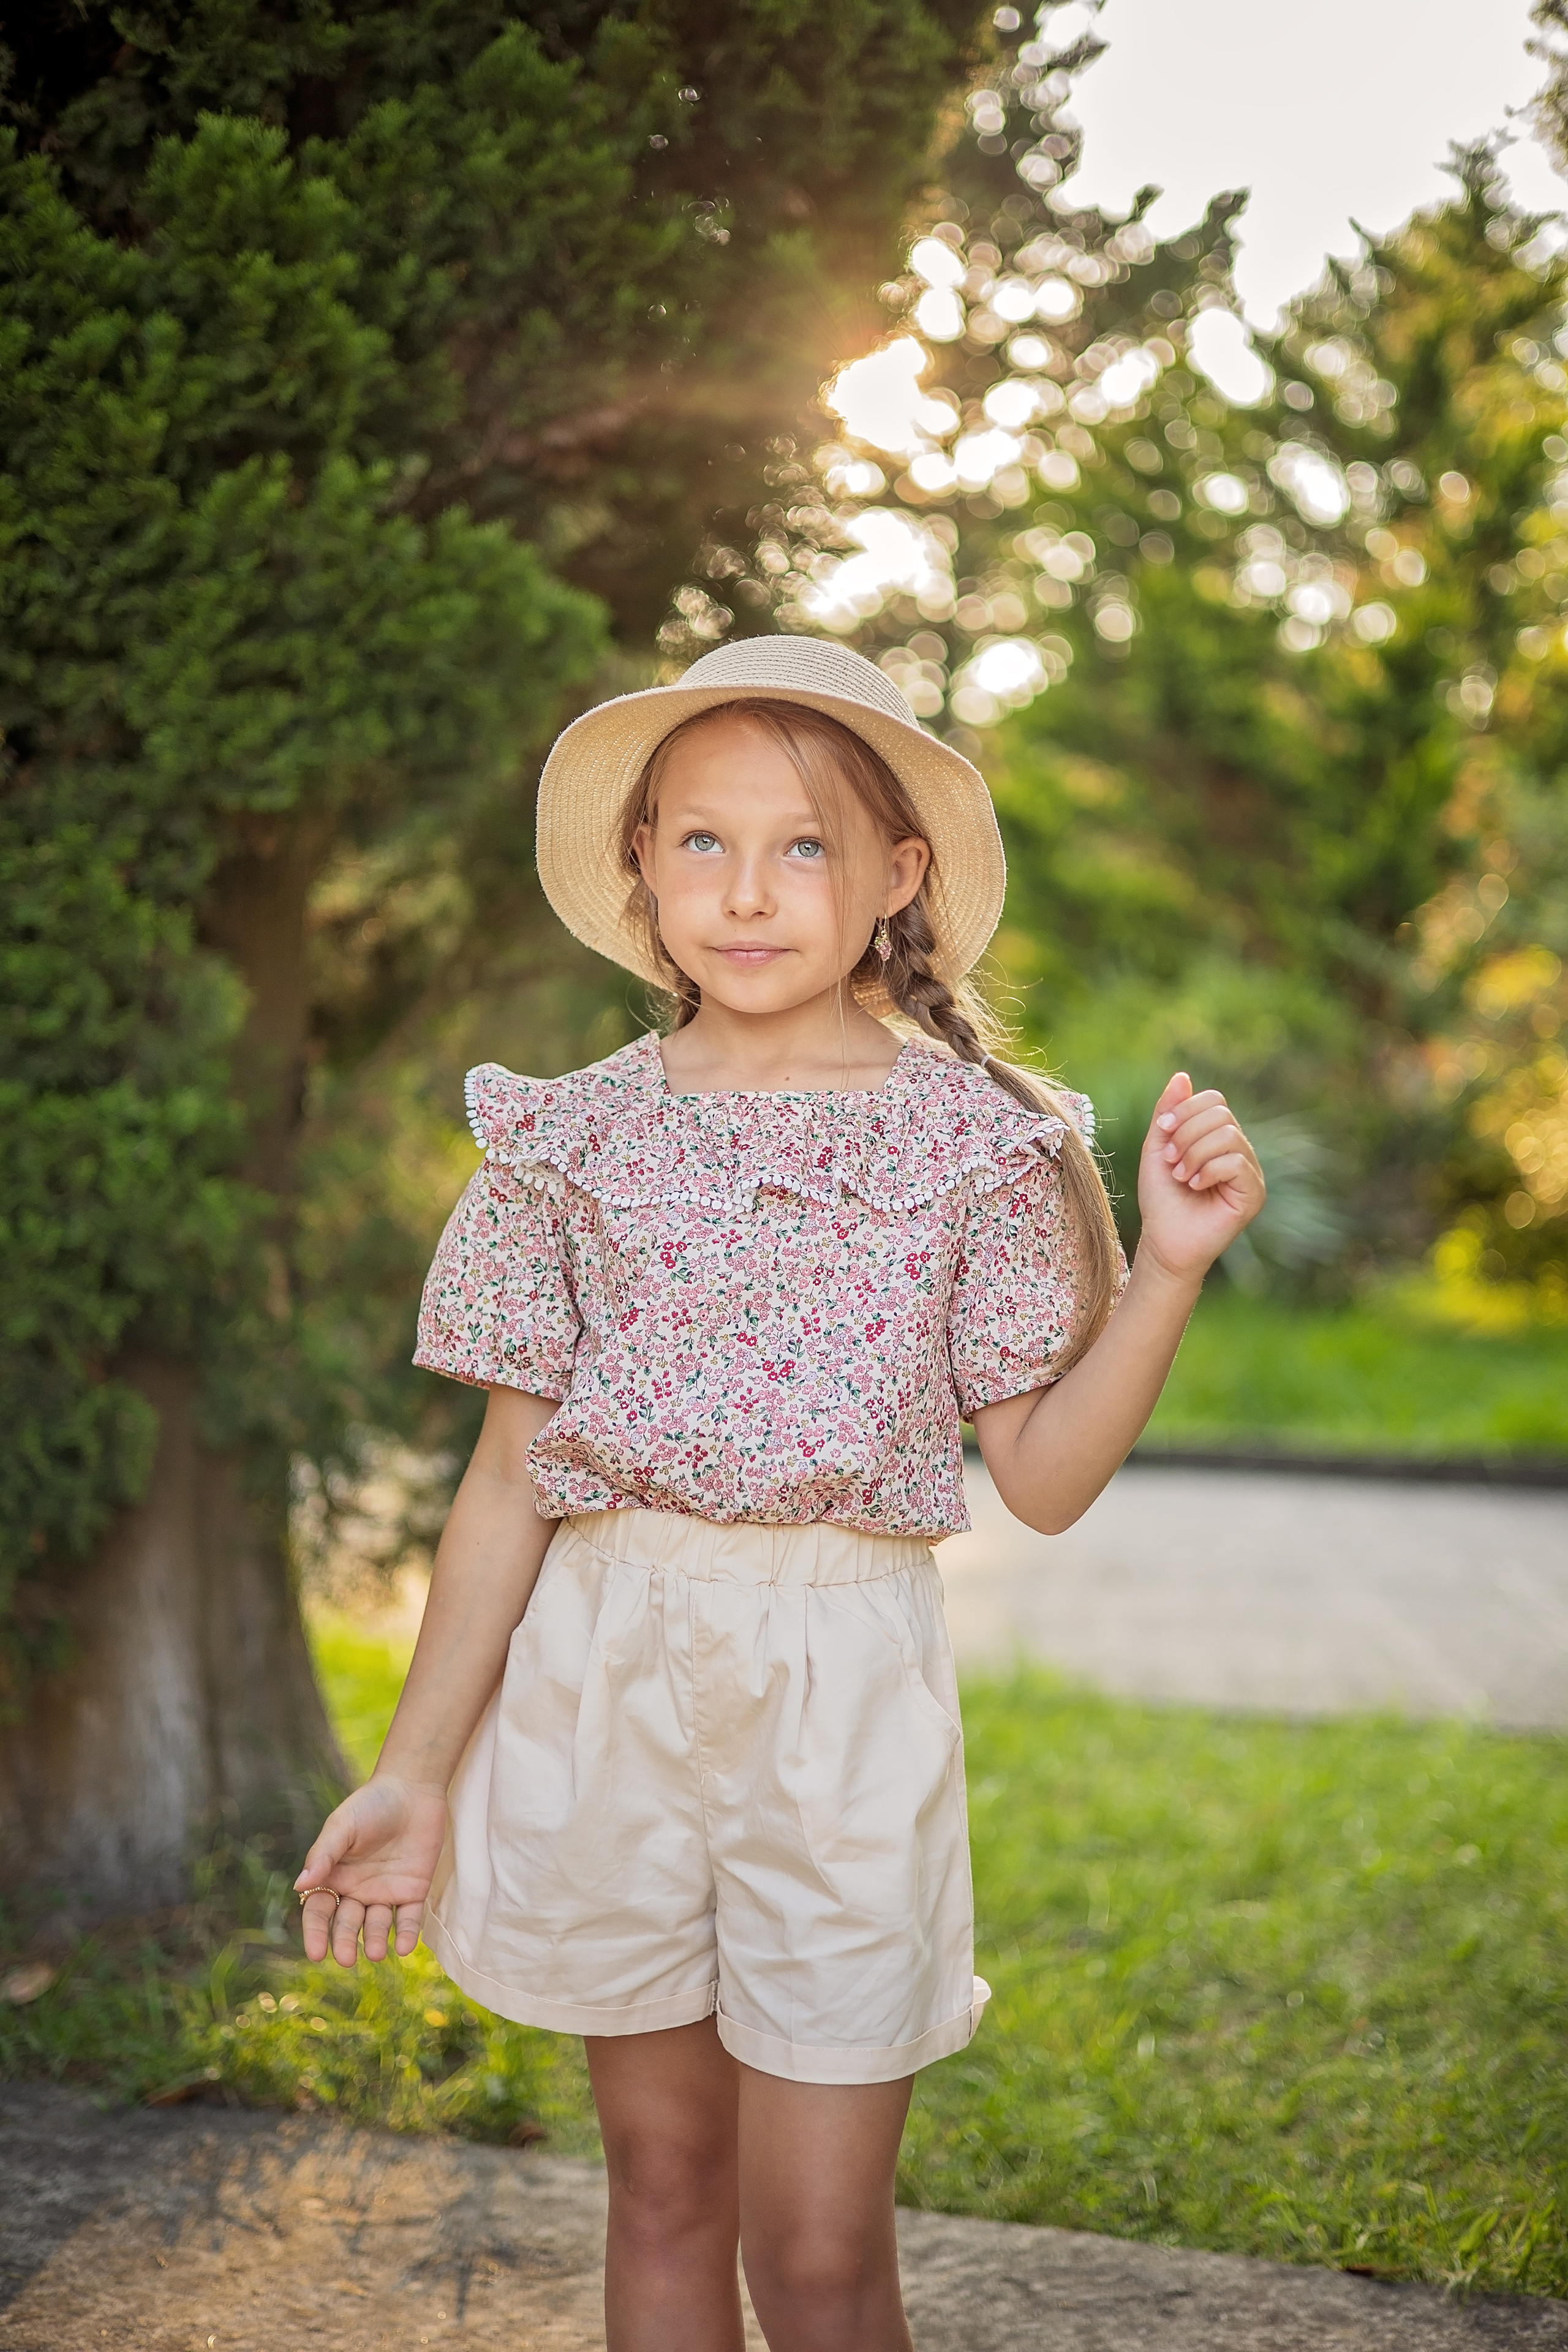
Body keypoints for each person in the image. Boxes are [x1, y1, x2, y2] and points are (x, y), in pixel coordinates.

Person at [295, 636, 1265, 2352]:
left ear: (898, 879)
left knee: (818, 2258)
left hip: (841, 1692)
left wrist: (1170, 1274)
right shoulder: (568, 1139)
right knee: (664, 2191)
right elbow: (511, 1481)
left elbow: (1040, 1481)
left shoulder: (983, 1144)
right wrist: (416, 1772)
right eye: (700, 842)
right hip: (602, 1676)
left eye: (804, 846)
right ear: (642, 869)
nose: (748, 892)